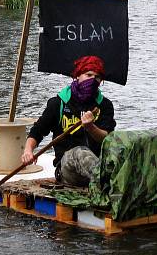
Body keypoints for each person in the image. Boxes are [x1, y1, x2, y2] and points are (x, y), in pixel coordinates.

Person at [20, 55, 115, 187]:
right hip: (68, 169)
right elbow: (37, 131)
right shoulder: (58, 103)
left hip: (98, 166)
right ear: (77, 76)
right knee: (80, 152)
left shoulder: (105, 105)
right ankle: (110, 187)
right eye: (88, 75)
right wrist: (28, 151)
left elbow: (108, 139)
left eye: (97, 77)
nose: (93, 80)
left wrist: (91, 128)